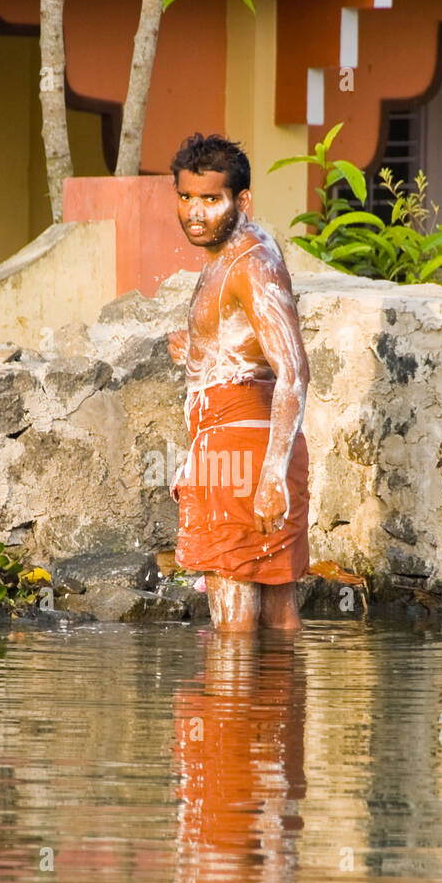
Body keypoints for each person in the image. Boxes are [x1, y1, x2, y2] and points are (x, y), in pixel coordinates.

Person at [167, 132, 311, 633]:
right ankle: (276, 711)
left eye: (210, 199)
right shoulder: (233, 256)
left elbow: (293, 368)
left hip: (242, 451)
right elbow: (243, 349)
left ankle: (233, 712)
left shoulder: (250, 264)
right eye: (186, 197)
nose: (195, 212)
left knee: (233, 630)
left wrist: (271, 475)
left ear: (241, 200)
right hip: (253, 442)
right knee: (277, 621)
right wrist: (196, 353)